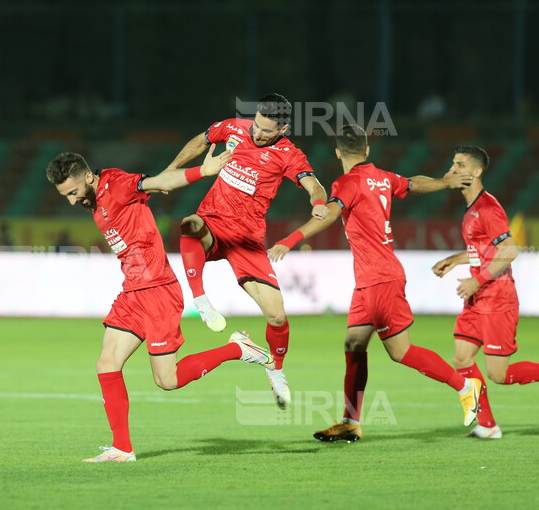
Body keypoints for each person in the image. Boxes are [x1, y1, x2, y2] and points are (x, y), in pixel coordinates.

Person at [46, 147, 275, 463]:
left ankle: (237, 348)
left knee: (167, 380)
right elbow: (151, 188)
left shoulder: (116, 184)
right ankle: (122, 449)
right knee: (106, 363)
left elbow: (156, 183)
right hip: (132, 292)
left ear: (88, 176)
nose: (72, 200)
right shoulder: (95, 199)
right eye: (65, 196)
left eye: (73, 192)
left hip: (157, 292)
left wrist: (202, 172)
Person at [268, 125, 482, 440]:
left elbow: (328, 213)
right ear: (367, 150)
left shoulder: (346, 182)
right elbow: (414, 184)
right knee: (354, 344)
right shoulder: (382, 176)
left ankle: (465, 386)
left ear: (338, 152)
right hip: (371, 279)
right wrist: (445, 182)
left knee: (400, 351)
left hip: (379, 279)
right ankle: (350, 422)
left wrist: (290, 239)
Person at [165, 94, 328, 409]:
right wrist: (171, 171)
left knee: (277, 315)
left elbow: (313, 183)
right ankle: (201, 300)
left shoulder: (288, 154)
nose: (258, 133)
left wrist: (317, 201)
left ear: (284, 128)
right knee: (189, 224)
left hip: (249, 241)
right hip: (213, 224)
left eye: (267, 131)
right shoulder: (234, 128)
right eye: (258, 125)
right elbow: (200, 141)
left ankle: (276, 371)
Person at [431, 146, 539, 439]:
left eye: (460, 165)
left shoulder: (488, 208)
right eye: (452, 163)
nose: (453, 169)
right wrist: (455, 260)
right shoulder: (471, 210)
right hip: (478, 299)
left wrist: (476, 281)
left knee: (498, 374)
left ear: (477, 172)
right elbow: (483, 251)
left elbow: (509, 251)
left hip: (497, 298)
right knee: (463, 358)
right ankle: (487, 425)